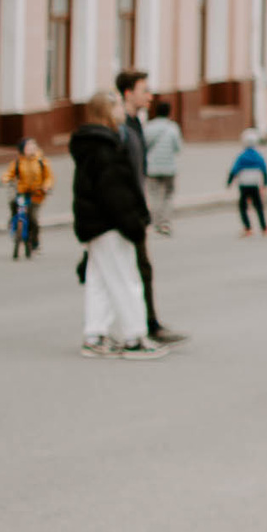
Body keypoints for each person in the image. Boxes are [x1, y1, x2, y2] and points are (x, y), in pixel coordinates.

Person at [70, 93, 163, 359]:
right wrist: (133, 222)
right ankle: (134, 337)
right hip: (110, 223)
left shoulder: (90, 143)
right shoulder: (105, 146)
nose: (122, 110)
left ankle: (95, 334)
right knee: (125, 278)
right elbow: (114, 191)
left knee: (99, 278)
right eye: (118, 106)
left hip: (94, 222)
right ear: (108, 111)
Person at [113, 71, 185, 344]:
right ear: (129, 93)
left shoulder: (135, 123)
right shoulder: (123, 126)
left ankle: (146, 323)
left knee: (139, 267)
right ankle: (140, 327)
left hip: (135, 204)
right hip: (127, 207)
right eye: (144, 90)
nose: (150, 96)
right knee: (134, 268)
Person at [0, 138, 53, 259]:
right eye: (28, 147)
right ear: (22, 149)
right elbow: (9, 173)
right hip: (22, 193)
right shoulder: (18, 162)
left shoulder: (41, 161)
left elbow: (49, 177)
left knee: (33, 218)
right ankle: (14, 223)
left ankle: (35, 243)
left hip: (36, 194)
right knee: (14, 204)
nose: (31, 149)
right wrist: (5, 179)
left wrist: (46, 187)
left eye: (33, 146)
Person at [143, 98, 184, 234]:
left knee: (154, 195)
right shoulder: (172, 128)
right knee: (168, 194)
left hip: (152, 167)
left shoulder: (148, 127)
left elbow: (144, 146)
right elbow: (178, 148)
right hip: (169, 168)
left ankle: (156, 222)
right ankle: (165, 223)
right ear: (169, 112)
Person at [228, 130, 267, 236]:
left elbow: (234, 170)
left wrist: (229, 182)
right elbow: (264, 170)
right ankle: (264, 227)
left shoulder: (242, 156)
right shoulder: (258, 156)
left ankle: (247, 228)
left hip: (244, 184)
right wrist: (265, 183)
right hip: (255, 184)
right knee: (258, 206)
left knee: (242, 206)